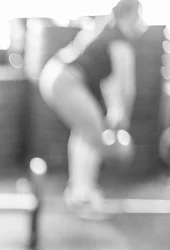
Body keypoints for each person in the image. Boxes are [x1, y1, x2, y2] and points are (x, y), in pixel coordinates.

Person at [39, 0, 145, 220]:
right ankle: (82, 197)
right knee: (94, 136)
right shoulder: (119, 40)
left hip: (56, 74)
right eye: (140, 15)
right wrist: (122, 122)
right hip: (65, 80)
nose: (142, 21)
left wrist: (115, 113)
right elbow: (127, 87)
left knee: (85, 132)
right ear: (132, 13)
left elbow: (107, 81)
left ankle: (81, 192)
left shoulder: (105, 29)